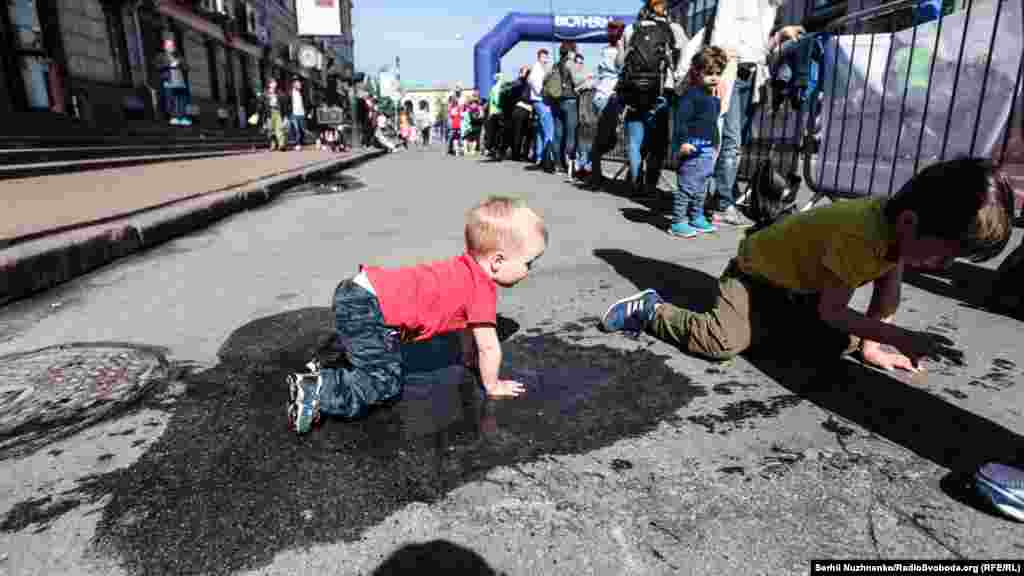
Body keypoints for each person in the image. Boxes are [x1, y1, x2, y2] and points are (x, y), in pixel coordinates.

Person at [599, 158, 1015, 373]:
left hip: (798, 287)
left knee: (838, 344)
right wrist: (895, 335)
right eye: (945, 254)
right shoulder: (862, 235)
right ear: (910, 223)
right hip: (753, 276)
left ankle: (767, 324)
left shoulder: (898, 230)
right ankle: (651, 310)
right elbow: (833, 311)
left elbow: (888, 293)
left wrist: (873, 345)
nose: (944, 266)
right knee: (720, 342)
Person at [286, 196, 549, 434]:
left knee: (364, 341)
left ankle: (328, 362)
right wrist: (493, 385)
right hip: (371, 308)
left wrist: (468, 356)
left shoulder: (463, 268)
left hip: (359, 289)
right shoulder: (481, 290)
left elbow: (468, 327)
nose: (530, 269)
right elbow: (488, 347)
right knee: (383, 383)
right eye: (528, 263)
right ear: (498, 261)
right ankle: (319, 390)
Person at [705, 0, 805, 226]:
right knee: (731, 141)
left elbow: (761, 50)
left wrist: (780, 36)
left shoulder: (770, 7)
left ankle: (719, 195)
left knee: (737, 141)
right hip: (731, 72)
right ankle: (723, 204)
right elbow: (718, 37)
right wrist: (719, 69)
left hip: (752, 77)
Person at [607, 0, 688, 196]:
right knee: (658, 142)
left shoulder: (631, 29)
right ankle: (651, 185)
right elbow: (686, 59)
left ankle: (635, 181)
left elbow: (619, 62)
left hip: (635, 90)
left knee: (635, 141)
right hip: (662, 90)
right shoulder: (674, 29)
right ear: (665, 9)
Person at [669, 46, 730, 238]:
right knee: (687, 186)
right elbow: (681, 122)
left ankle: (696, 216)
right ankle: (678, 221)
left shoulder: (713, 98)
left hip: (708, 149)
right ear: (697, 72)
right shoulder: (691, 95)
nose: (714, 78)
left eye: (718, 74)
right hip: (693, 147)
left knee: (702, 187)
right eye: (709, 73)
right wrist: (682, 143)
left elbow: (712, 124)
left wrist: (715, 146)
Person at [586, 20, 627, 189]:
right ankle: (594, 174)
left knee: (606, 137)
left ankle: (594, 170)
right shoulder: (619, 51)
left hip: (600, 95)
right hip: (610, 97)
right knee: (608, 139)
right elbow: (621, 69)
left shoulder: (604, 50)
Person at [550, 41, 587, 176]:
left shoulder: (555, 65)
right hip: (570, 100)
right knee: (571, 134)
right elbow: (578, 80)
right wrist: (587, 77)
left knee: (558, 134)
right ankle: (571, 166)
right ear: (571, 52)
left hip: (556, 101)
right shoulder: (570, 63)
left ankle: (558, 165)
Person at [528, 49, 556, 172]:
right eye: (544, 57)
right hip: (541, 101)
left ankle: (539, 157)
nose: (546, 59)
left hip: (538, 101)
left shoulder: (538, 69)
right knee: (548, 130)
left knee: (540, 130)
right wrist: (546, 93)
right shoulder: (537, 69)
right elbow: (536, 85)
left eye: (547, 57)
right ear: (539, 57)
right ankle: (547, 159)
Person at [155, 38, 191, 126]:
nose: (170, 47)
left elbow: (187, 67)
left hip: (179, 81)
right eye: (168, 46)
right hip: (168, 80)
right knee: (169, 99)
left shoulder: (178, 57)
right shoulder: (160, 56)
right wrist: (168, 65)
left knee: (180, 100)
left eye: (171, 46)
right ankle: (172, 117)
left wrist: (182, 65)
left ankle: (180, 117)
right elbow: (157, 66)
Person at [257, 78, 288, 151]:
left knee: (280, 129)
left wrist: (285, 115)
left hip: (278, 112)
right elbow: (261, 104)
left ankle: (281, 145)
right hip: (269, 113)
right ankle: (273, 145)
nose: (275, 84)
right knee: (270, 130)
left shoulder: (279, 92)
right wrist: (258, 112)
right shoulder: (265, 94)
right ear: (269, 84)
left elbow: (284, 103)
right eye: (273, 82)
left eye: (275, 82)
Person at [485, 73, 507, 158]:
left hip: (492, 113)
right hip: (498, 112)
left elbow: (491, 101)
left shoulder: (493, 88)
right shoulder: (498, 88)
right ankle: (497, 151)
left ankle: (493, 150)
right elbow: (497, 101)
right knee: (499, 133)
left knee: (494, 133)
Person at [289, 79, 310, 151]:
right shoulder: (290, 93)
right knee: (296, 129)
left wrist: (307, 112)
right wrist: (288, 112)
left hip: (301, 113)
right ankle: (297, 144)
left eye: (300, 84)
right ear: (294, 85)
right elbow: (288, 103)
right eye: (298, 84)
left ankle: (300, 142)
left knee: (302, 130)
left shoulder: (302, 93)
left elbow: (306, 102)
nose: (300, 85)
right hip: (294, 114)